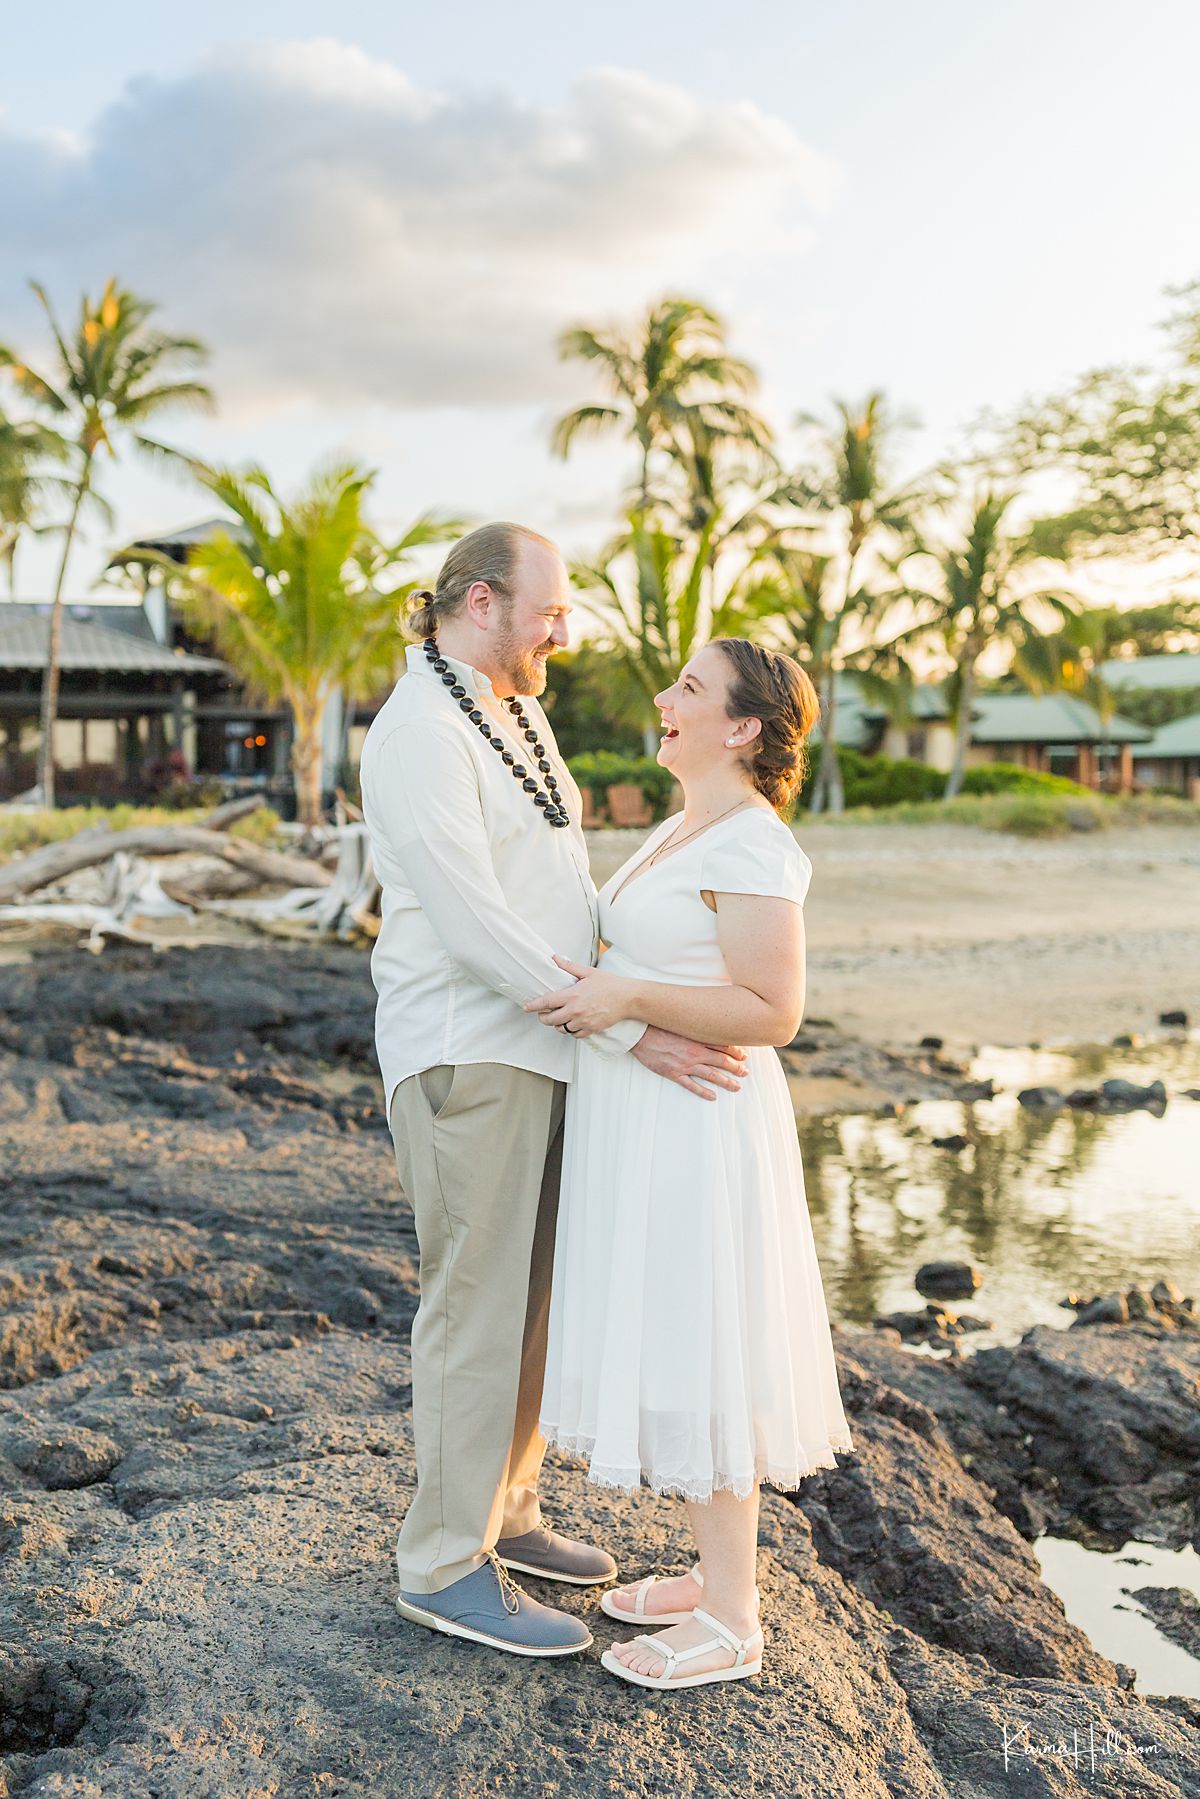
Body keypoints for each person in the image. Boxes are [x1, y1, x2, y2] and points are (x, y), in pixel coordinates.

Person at [359, 522, 750, 1659]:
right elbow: (477, 922)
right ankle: (440, 1562)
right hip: (464, 1047)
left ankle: (509, 1511)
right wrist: (631, 1027)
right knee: (475, 1303)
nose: (564, 631)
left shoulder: (510, 705)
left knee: (533, 1299)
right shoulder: (419, 729)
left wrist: (633, 1005)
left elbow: (561, 884)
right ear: (481, 601)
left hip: (545, 1042)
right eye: (551, 610)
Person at [529, 637, 855, 1690]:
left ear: (744, 727)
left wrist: (623, 999)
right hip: (651, 1115)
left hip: (702, 1125)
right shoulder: (685, 827)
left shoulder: (753, 844)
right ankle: (713, 1575)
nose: (665, 700)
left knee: (708, 1341)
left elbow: (775, 1009)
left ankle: (735, 1617)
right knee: (678, 1330)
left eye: (691, 689)